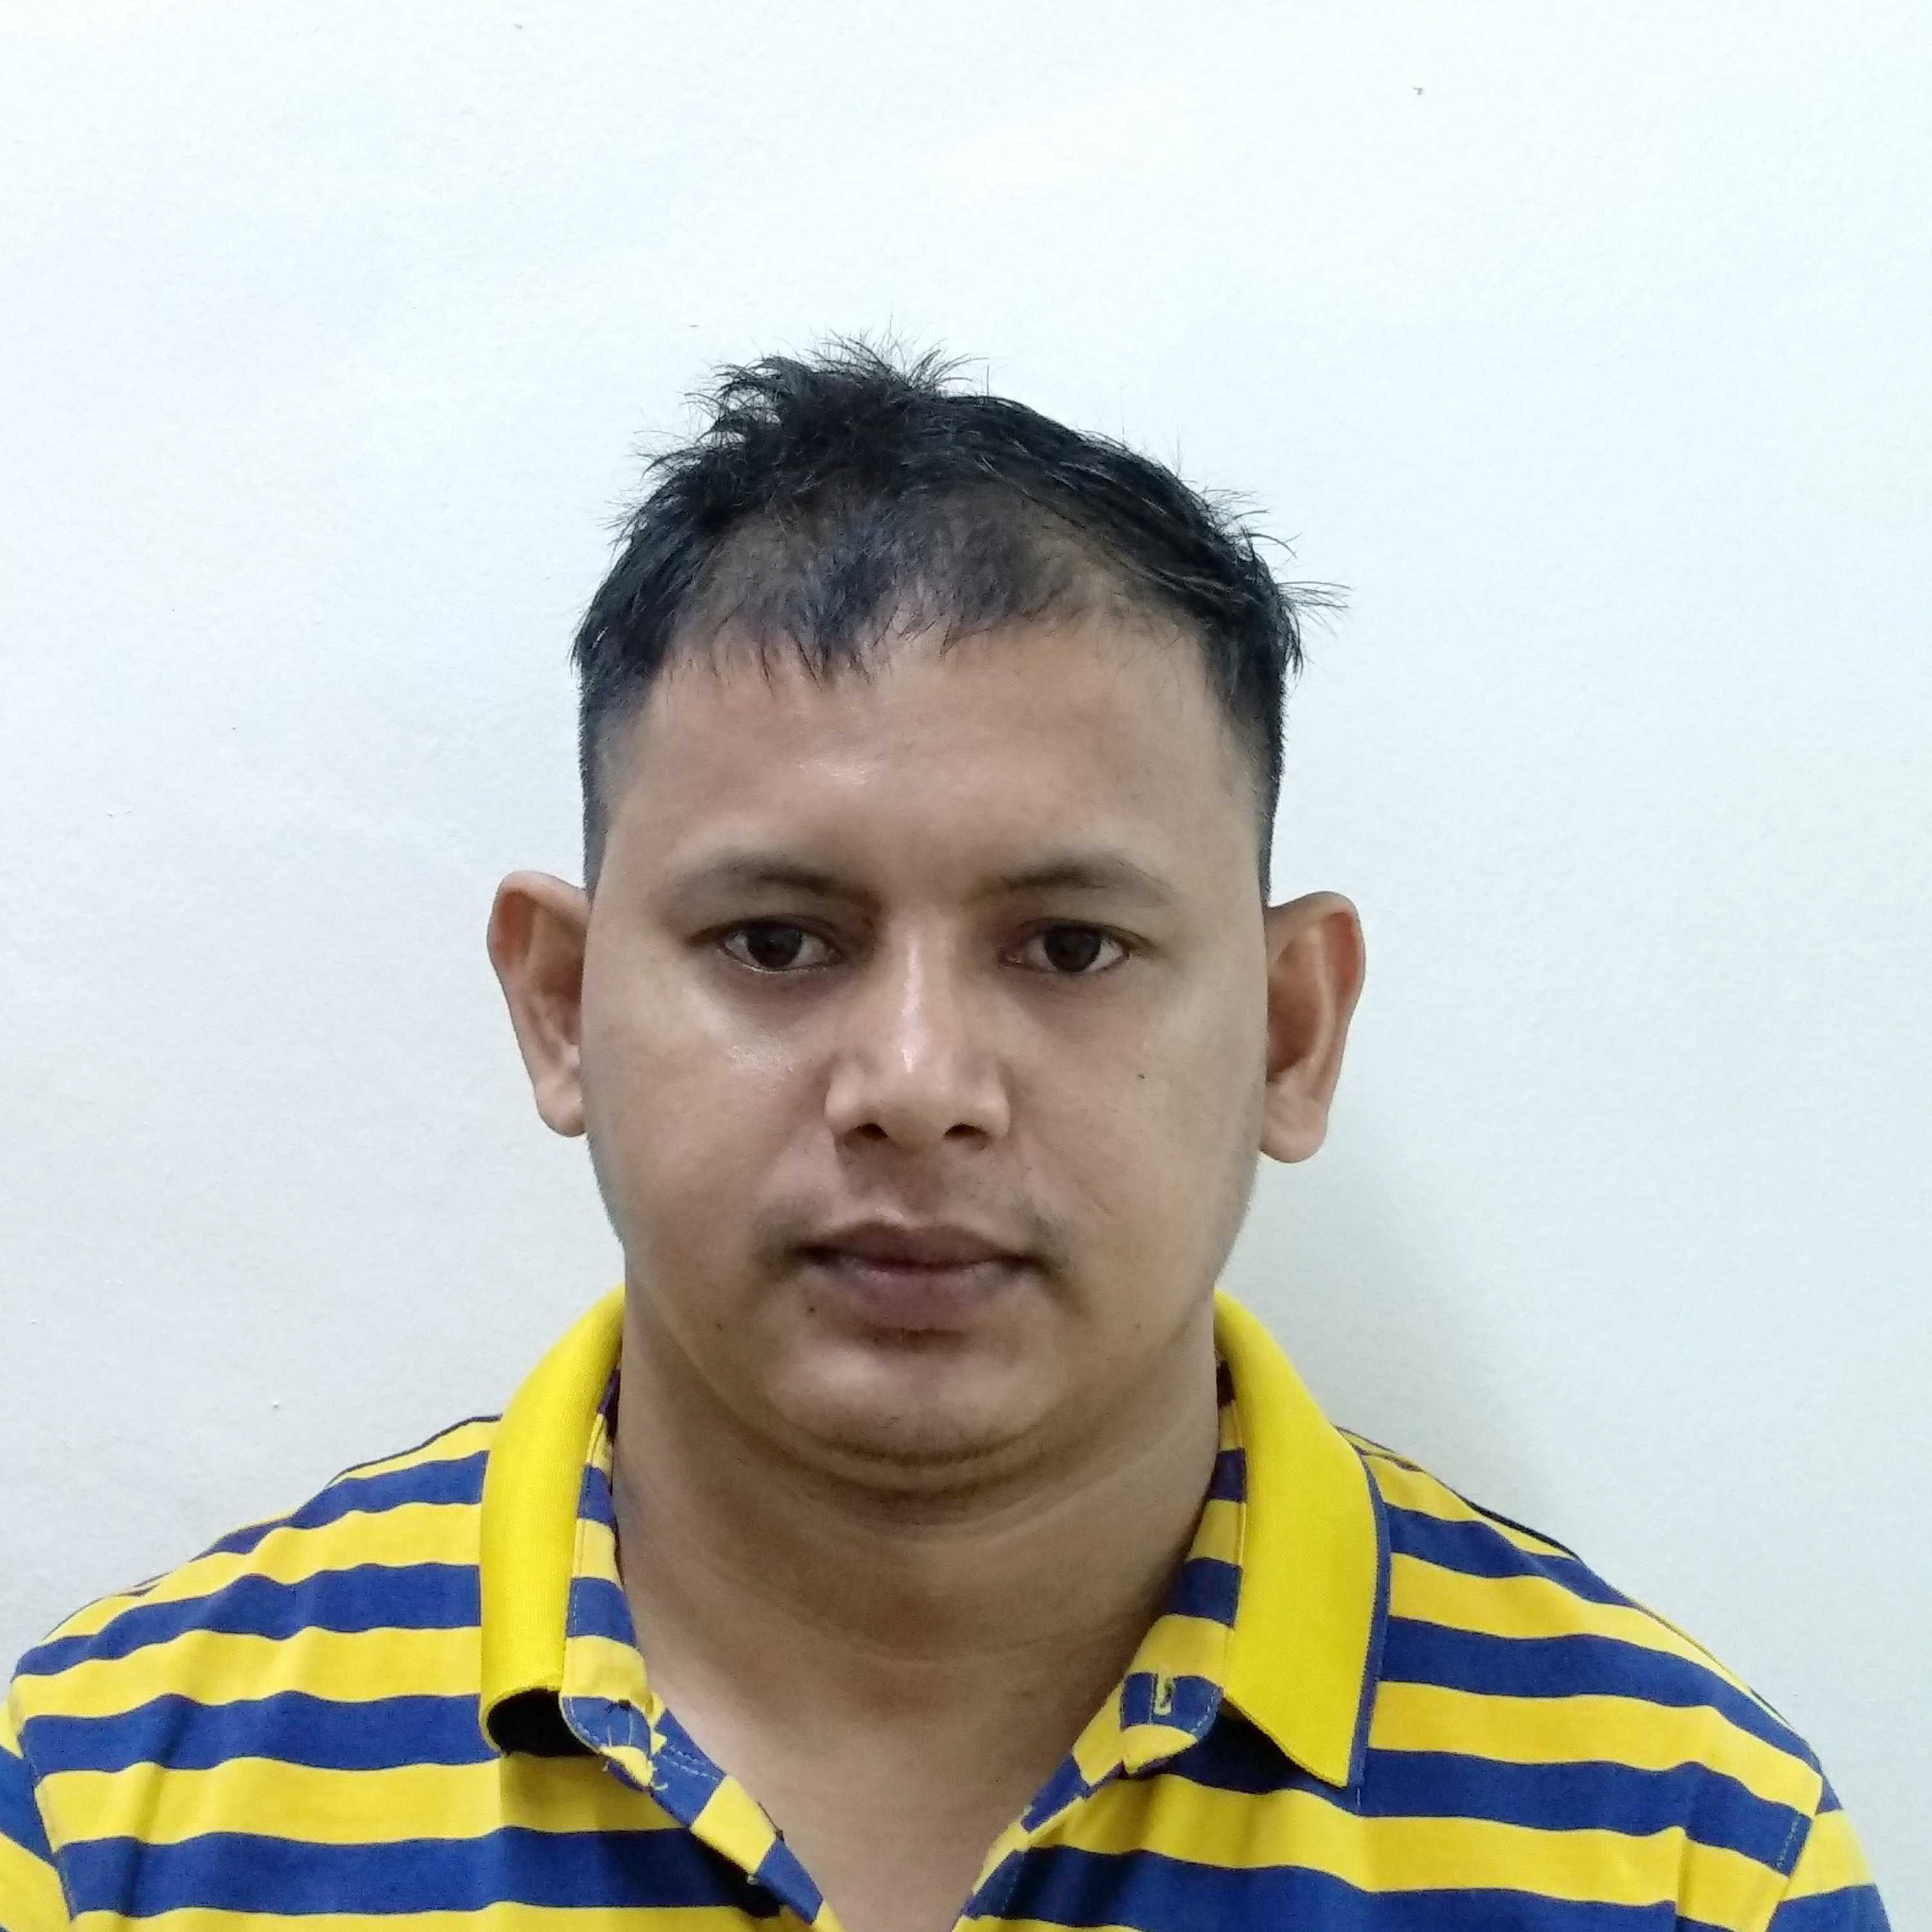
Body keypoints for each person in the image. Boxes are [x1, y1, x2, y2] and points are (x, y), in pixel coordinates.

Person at [1, 343, 1889, 1931]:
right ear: (562, 1005)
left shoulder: (1685, 1854)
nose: (916, 1082)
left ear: (1290, 1031)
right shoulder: (103, 1822)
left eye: (1069, 947)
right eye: (777, 942)